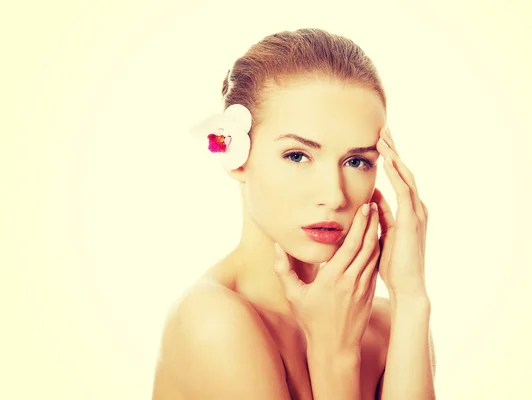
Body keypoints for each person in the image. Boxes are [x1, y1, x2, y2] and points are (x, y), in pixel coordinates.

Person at [152, 28, 436, 400]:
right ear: (236, 157)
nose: (334, 195)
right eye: (298, 156)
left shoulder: (387, 325)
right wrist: (334, 358)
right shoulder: (212, 322)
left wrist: (411, 296)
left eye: (357, 161)